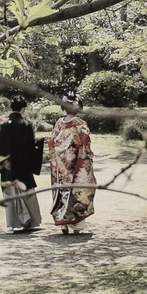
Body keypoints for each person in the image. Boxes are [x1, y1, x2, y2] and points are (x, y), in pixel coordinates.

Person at [47, 93, 96, 234]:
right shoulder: (80, 123)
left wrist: (59, 152)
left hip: (62, 164)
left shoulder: (59, 123)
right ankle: (76, 225)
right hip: (76, 162)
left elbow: (53, 141)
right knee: (77, 192)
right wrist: (85, 155)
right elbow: (85, 141)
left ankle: (64, 224)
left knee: (63, 191)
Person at [0, 96, 43, 232]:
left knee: (9, 195)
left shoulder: (2, 126)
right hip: (23, 166)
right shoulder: (26, 125)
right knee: (26, 192)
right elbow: (31, 147)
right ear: (23, 109)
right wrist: (40, 143)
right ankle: (29, 222)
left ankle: (10, 224)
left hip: (7, 166)